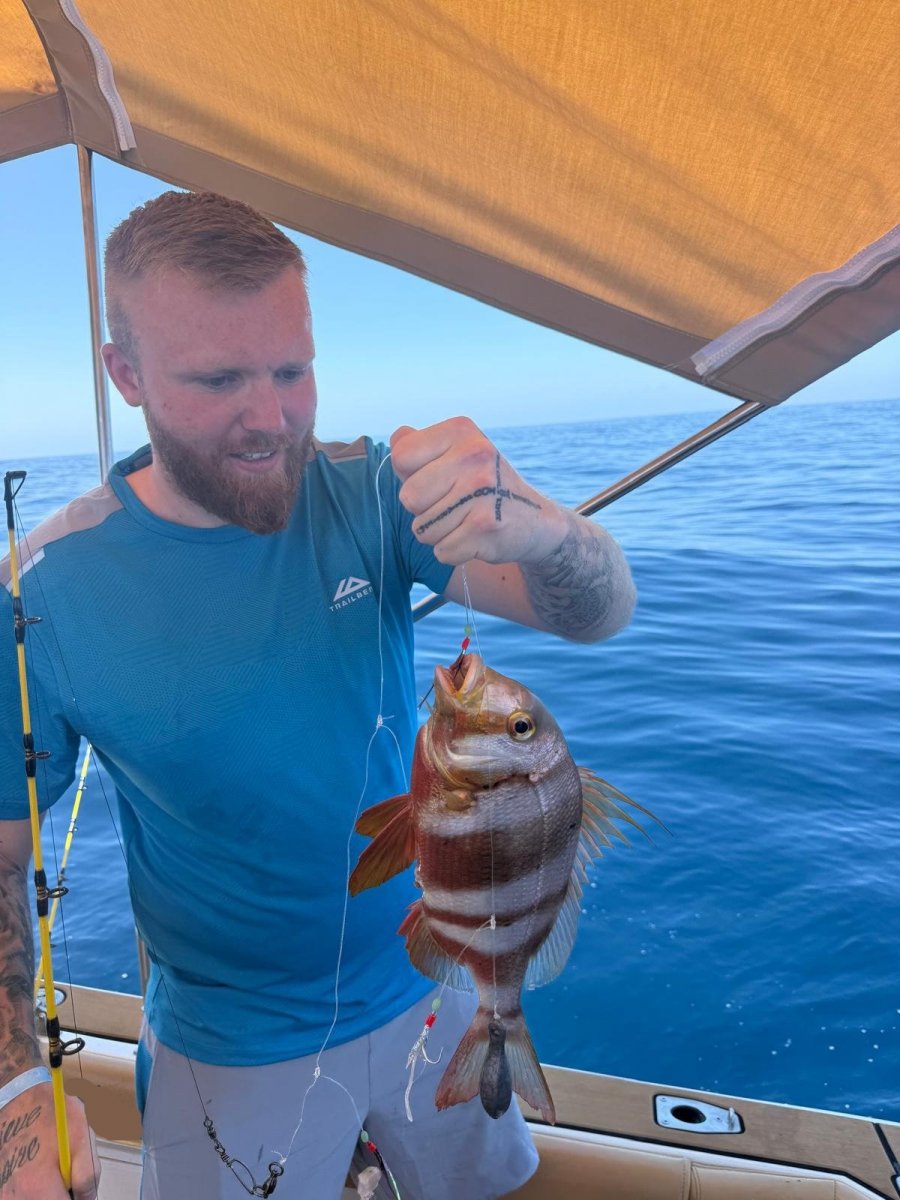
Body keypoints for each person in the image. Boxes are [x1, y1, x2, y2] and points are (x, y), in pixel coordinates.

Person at [0, 190, 637, 1199]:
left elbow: (598, 611)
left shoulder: (372, 492)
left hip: (436, 982)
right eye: (219, 379)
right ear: (126, 375)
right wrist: (16, 1091)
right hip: (228, 1043)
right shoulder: (40, 594)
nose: (272, 420)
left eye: (292, 371)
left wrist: (542, 526)